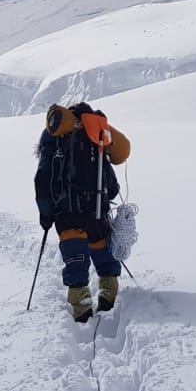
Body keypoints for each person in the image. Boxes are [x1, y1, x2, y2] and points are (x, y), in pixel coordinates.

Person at [34, 102, 124, 322]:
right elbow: (111, 175)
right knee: (103, 253)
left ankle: (82, 309)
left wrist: (46, 214)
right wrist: (107, 194)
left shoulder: (53, 137)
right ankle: (108, 296)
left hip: (66, 213)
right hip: (96, 210)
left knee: (75, 260)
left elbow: (42, 178)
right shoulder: (95, 134)